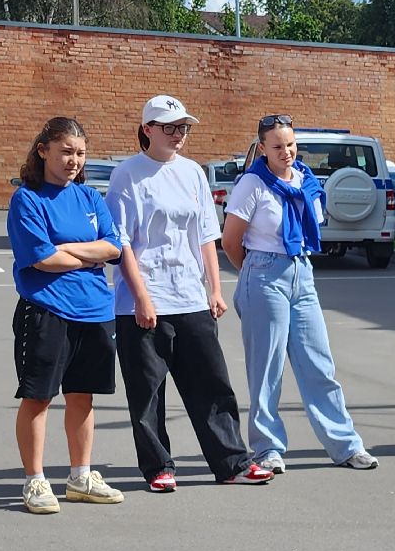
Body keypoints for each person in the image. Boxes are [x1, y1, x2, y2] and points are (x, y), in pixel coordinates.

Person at [106, 95, 273, 491]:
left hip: (189, 298)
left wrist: (215, 288)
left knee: (212, 383)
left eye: (183, 128)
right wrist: (142, 297)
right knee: (147, 392)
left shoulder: (194, 172)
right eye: (169, 128)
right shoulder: (127, 175)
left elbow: (205, 235)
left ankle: (232, 463)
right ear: (148, 130)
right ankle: (158, 467)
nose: (178, 135)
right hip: (141, 303)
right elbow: (122, 242)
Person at [220, 114, 378, 473]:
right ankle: (267, 449)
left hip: (302, 270)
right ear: (262, 148)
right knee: (267, 369)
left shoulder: (305, 179)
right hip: (263, 272)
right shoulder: (252, 184)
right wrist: (254, 271)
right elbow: (230, 241)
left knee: (319, 364)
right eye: (277, 147)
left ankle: (346, 445)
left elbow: (314, 221)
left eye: (290, 145)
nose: (286, 152)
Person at [6, 117, 125, 514]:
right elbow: (42, 259)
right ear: (44, 151)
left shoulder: (91, 198)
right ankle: (35, 481)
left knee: (82, 397)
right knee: (38, 398)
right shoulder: (28, 199)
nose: (74, 160)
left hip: (94, 311)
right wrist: (83, 252)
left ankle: (80, 477)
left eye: (80, 153)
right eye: (66, 152)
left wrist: (68, 250)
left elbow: (113, 247)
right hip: (47, 312)